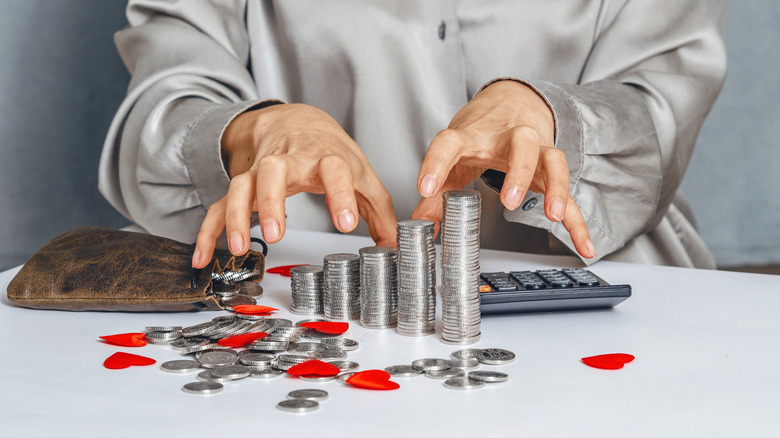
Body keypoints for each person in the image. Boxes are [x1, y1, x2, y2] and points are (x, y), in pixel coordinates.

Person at [99, 0, 726, 269]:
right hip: (293, 281)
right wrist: (255, 128)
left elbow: (661, 104)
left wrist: (552, 114)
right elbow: (166, 96)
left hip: (590, 274)